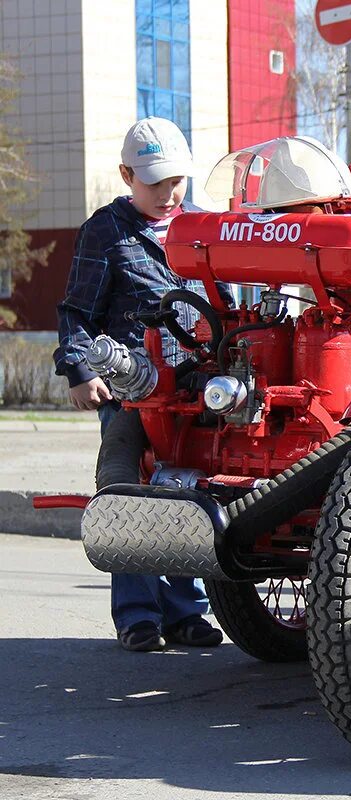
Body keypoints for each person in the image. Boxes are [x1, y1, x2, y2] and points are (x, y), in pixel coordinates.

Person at [53, 117, 231, 652]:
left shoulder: (202, 226)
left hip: (196, 389)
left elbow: (226, 304)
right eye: (154, 182)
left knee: (188, 493)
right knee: (129, 492)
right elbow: (76, 312)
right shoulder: (105, 231)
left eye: (176, 180)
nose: (168, 193)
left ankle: (186, 612)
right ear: (127, 174)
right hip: (130, 389)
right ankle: (136, 616)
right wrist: (80, 371)